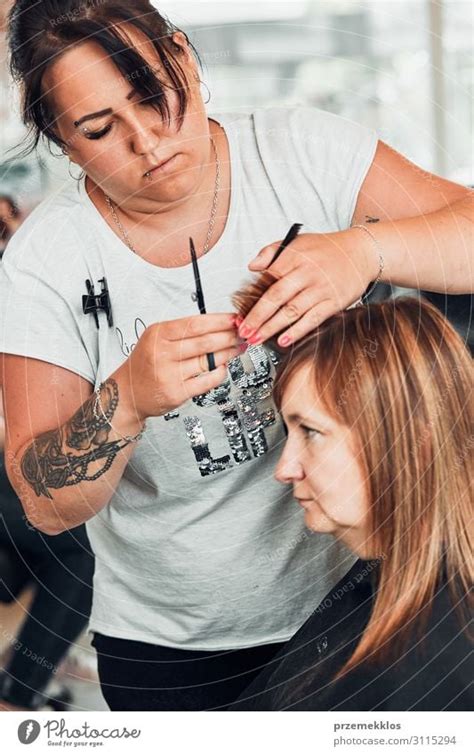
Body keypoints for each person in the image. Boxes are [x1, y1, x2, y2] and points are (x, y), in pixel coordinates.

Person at [0, 0, 471, 711]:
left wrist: (361, 249)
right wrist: (124, 400)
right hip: (178, 652)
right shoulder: (45, 266)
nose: (149, 141)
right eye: (99, 129)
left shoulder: (302, 150)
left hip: (363, 594)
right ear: (62, 143)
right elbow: (44, 502)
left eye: (155, 96)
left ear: (184, 57)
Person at [231, 297, 473, 710]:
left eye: (311, 432)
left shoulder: (429, 672)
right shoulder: (382, 576)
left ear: (414, 443)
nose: (285, 469)